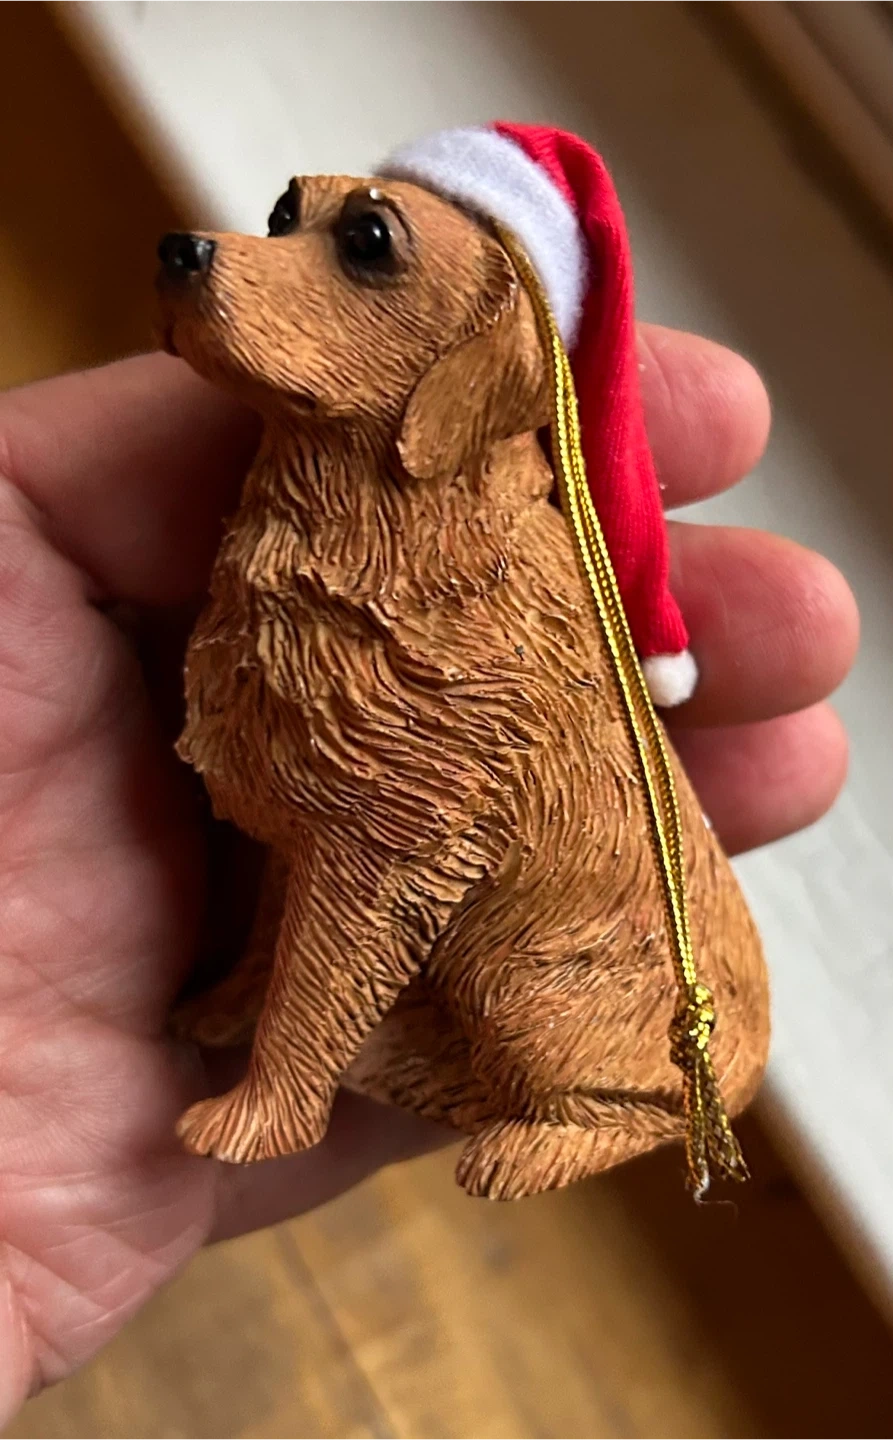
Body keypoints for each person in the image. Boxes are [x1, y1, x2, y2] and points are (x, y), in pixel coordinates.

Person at [0, 330, 858, 1420]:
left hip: (594, 997)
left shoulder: (453, 616)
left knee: (391, 880)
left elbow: (372, 870)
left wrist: (282, 1087)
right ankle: (275, 1007)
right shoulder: (322, 537)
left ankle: (568, 1101)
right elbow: (313, 835)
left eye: (366, 256)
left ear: (469, 383)